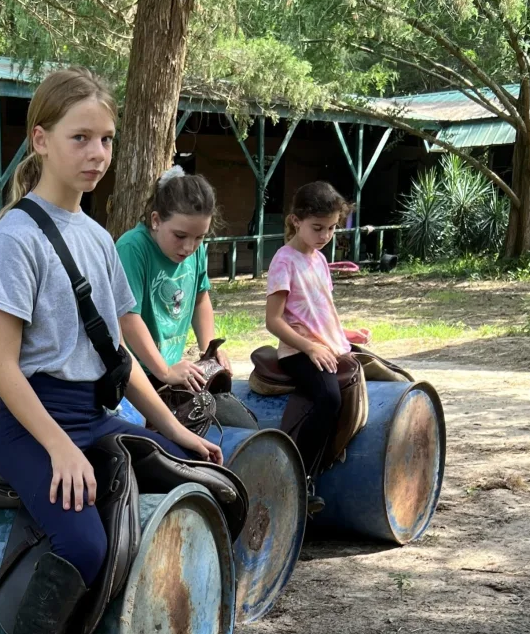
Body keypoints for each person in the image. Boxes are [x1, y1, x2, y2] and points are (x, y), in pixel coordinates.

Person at [0, 67, 222, 634]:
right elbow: (3, 366)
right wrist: (57, 446)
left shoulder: (96, 237)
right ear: (41, 139)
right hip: (34, 418)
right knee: (84, 542)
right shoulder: (17, 237)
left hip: (98, 410)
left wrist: (173, 430)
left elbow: (121, 357)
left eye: (106, 140)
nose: (96, 153)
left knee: (195, 482)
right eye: (80, 137)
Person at [116, 167, 252, 429]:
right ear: (156, 220)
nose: (189, 247)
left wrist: (209, 350)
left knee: (241, 424)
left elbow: (201, 298)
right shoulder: (132, 248)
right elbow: (127, 318)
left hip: (173, 371)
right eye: (180, 236)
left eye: (199, 238)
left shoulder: (194, 251)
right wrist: (164, 371)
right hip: (136, 375)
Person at [264, 181, 355, 496]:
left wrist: (343, 335)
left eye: (331, 228)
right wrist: (309, 346)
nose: (325, 236)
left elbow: (321, 309)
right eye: (318, 228)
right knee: (329, 397)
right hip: (297, 351)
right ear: (295, 220)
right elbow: (273, 321)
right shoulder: (284, 260)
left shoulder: (319, 259)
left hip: (325, 345)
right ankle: (299, 476)